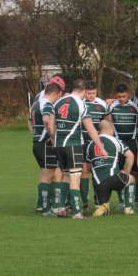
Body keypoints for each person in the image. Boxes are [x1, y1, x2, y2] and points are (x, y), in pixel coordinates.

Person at [54, 79, 108, 219]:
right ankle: (77, 212)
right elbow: (90, 129)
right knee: (75, 178)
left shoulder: (59, 102)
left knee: (65, 176)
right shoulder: (81, 104)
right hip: (73, 144)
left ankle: (60, 209)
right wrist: (101, 147)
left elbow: (51, 125)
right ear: (83, 90)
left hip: (58, 145)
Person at [86, 120, 136, 216]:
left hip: (98, 185)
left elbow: (88, 168)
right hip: (114, 178)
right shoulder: (114, 140)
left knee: (102, 210)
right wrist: (126, 172)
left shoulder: (90, 144)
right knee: (132, 179)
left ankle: (104, 206)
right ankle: (128, 208)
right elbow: (131, 156)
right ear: (110, 129)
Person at [28, 83, 63, 216]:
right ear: (54, 94)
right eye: (58, 96)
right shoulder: (47, 104)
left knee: (44, 175)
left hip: (37, 143)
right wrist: (53, 136)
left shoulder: (36, 104)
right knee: (48, 176)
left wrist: (36, 136)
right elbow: (47, 121)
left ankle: (44, 206)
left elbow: (30, 121)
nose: (58, 99)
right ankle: (47, 209)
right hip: (45, 144)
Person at [109, 84, 138, 210]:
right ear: (115, 96)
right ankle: (121, 201)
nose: (121, 99)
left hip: (132, 142)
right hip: (118, 143)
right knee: (119, 172)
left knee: (134, 173)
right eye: (119, 97)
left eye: (123, 96)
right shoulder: (112, 106)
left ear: (128, 94)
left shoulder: (134, 107)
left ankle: (136, 201)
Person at [80, 80, 110, 210]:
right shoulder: (80, 103)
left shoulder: (102, 104)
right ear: (84, 92)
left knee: (98, 171)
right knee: (84, 171)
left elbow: (108, 123)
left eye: (93, 93)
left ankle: (99, 200)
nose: (91, 95)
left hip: (97, 144)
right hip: (82, 142)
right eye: (89, 93)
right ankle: (85, 203)